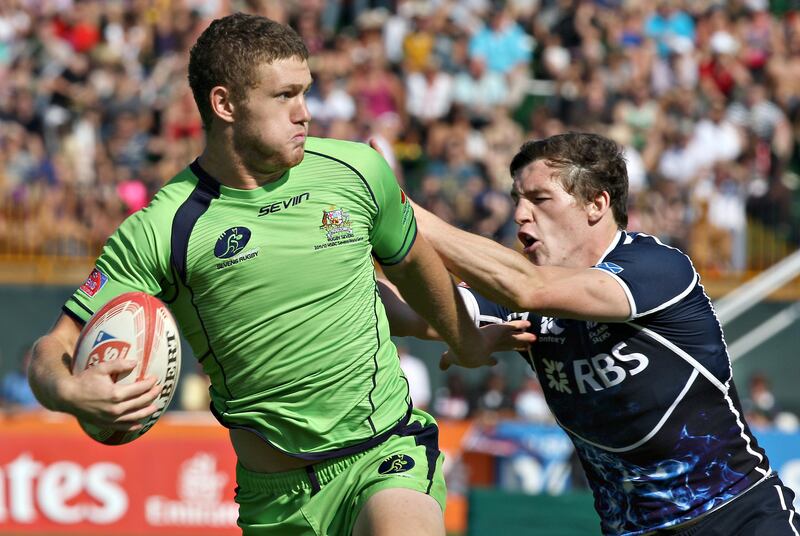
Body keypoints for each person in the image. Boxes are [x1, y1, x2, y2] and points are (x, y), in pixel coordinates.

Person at [26, 13, 530, 536]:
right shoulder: (163, 228)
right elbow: (54, 345)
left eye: (306, 92)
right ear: (225, 104)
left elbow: (415, 265)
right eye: (284, 96)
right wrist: (69, 391)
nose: (305, 113)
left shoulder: (357, 170)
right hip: (275, 500)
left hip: (385, 453)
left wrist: (465, 339)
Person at [390, 132, 800, 535]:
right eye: (517, 199)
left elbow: (529, 287)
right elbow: (406, 314)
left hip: (739, 517)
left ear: (596, 204)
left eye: (539, 198)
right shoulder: (521, 292)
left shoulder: (656, 268)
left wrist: (400, 208)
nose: (519, 214)